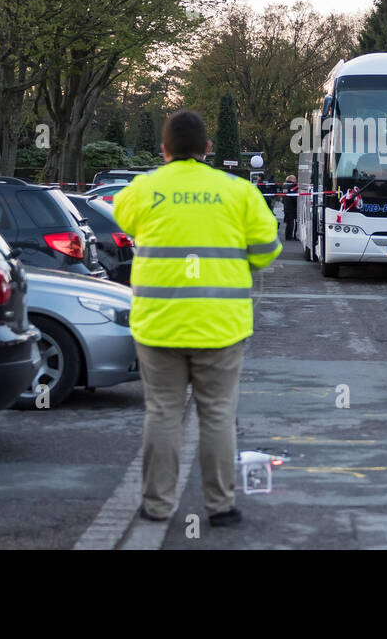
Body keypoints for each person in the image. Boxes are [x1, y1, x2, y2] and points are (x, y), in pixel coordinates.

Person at [112, 110, 281, 528]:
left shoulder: (143, 188)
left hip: (158, 325)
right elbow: (266, 250)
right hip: (220, 325)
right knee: (218, 415)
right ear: (208, 149)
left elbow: (123, 219)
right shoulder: (238, 192)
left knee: (163, 414)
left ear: (163, 149)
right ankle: (220, 507)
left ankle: (156, 506)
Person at [281, 174, 298, 241]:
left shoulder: (285, 185)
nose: (296, 180)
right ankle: (291, 236)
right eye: (295, 179)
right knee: (292, 222)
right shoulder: (292, 186)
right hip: (292, 206)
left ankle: (287, 236)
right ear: (291, 179)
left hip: (286, 206)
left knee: (288, 222)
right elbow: (294, 196)